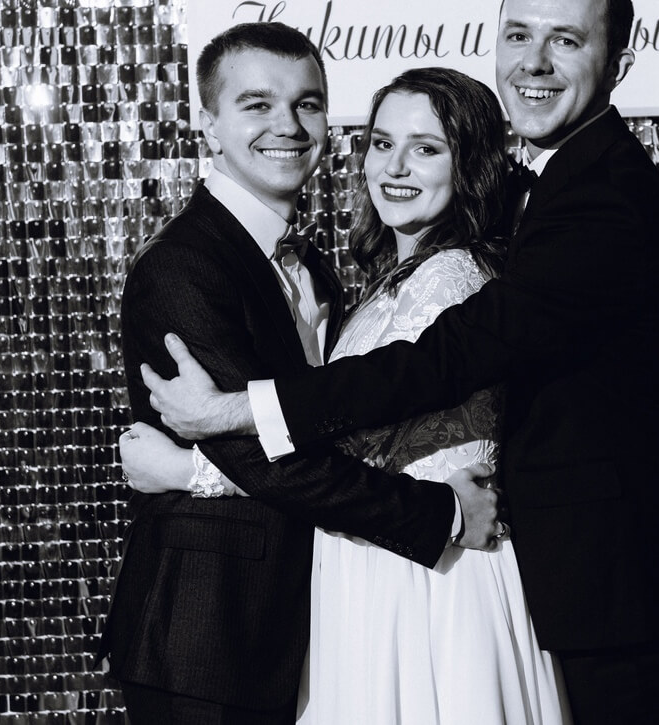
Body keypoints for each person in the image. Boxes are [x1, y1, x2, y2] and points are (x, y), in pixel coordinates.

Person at [144, 0, 659, 723]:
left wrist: (207, 447)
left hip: (539, 574)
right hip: (461, 569)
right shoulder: (527, 204)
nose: (535, 61)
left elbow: (436, 368)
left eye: (566, 40)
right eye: (517, 34)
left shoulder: (574, 214)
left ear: (616, 62)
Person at [127, 66, 571, 724]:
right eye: (382, 143)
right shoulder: (390, 278)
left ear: (470, 165)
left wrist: (191, 471)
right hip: (381, 569)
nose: (396, 166)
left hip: (429, 583)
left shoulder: (449, 280)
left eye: (427, 147)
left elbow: (348, 450)